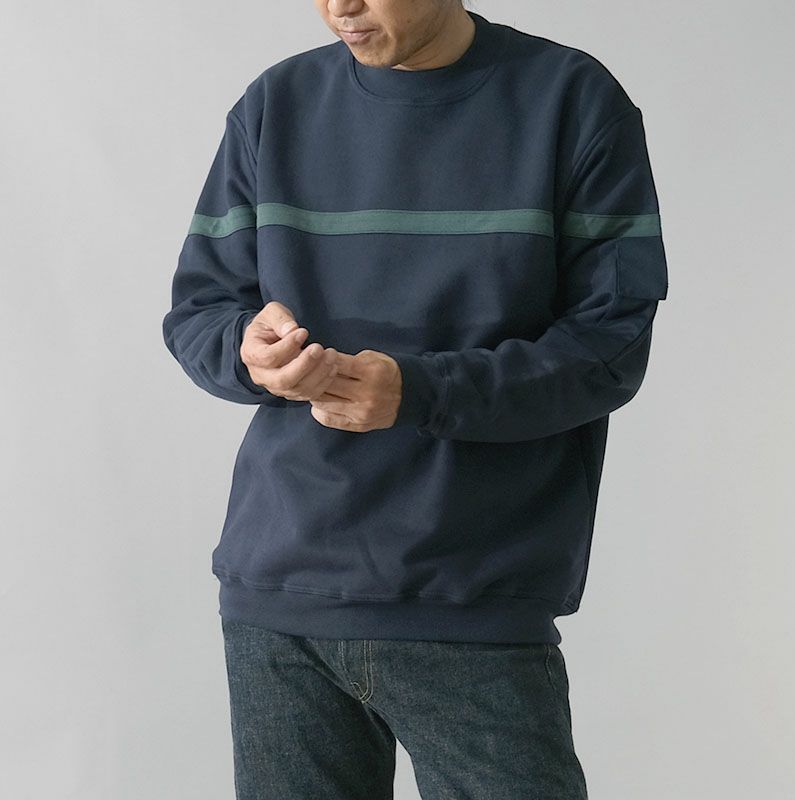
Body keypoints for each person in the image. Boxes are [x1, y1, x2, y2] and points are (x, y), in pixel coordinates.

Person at [161, 1, 669, 797]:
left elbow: (610, 348)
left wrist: (422, 392)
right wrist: (251, 354)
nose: (341, 7)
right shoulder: (275, 105)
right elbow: (200, 311)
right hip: (282, 600)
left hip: (471, 597)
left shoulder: (570, 100)